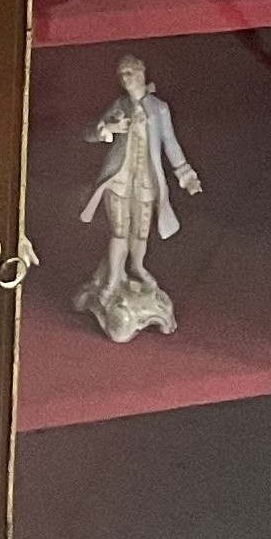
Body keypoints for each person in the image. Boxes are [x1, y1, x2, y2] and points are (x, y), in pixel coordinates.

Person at [77, 54, 202, 343]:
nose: (125, 77)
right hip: (119, 179)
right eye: (121, 73)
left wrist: (185, 175)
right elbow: (89, 133)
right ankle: (110, 282)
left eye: (130, 72)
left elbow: (170, 143)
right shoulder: (119, 106)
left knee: (141, 232)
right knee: (119, 231)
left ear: (142, 73)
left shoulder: (159, 109)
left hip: (146, 181)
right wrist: (107, 130)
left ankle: (137, 267)